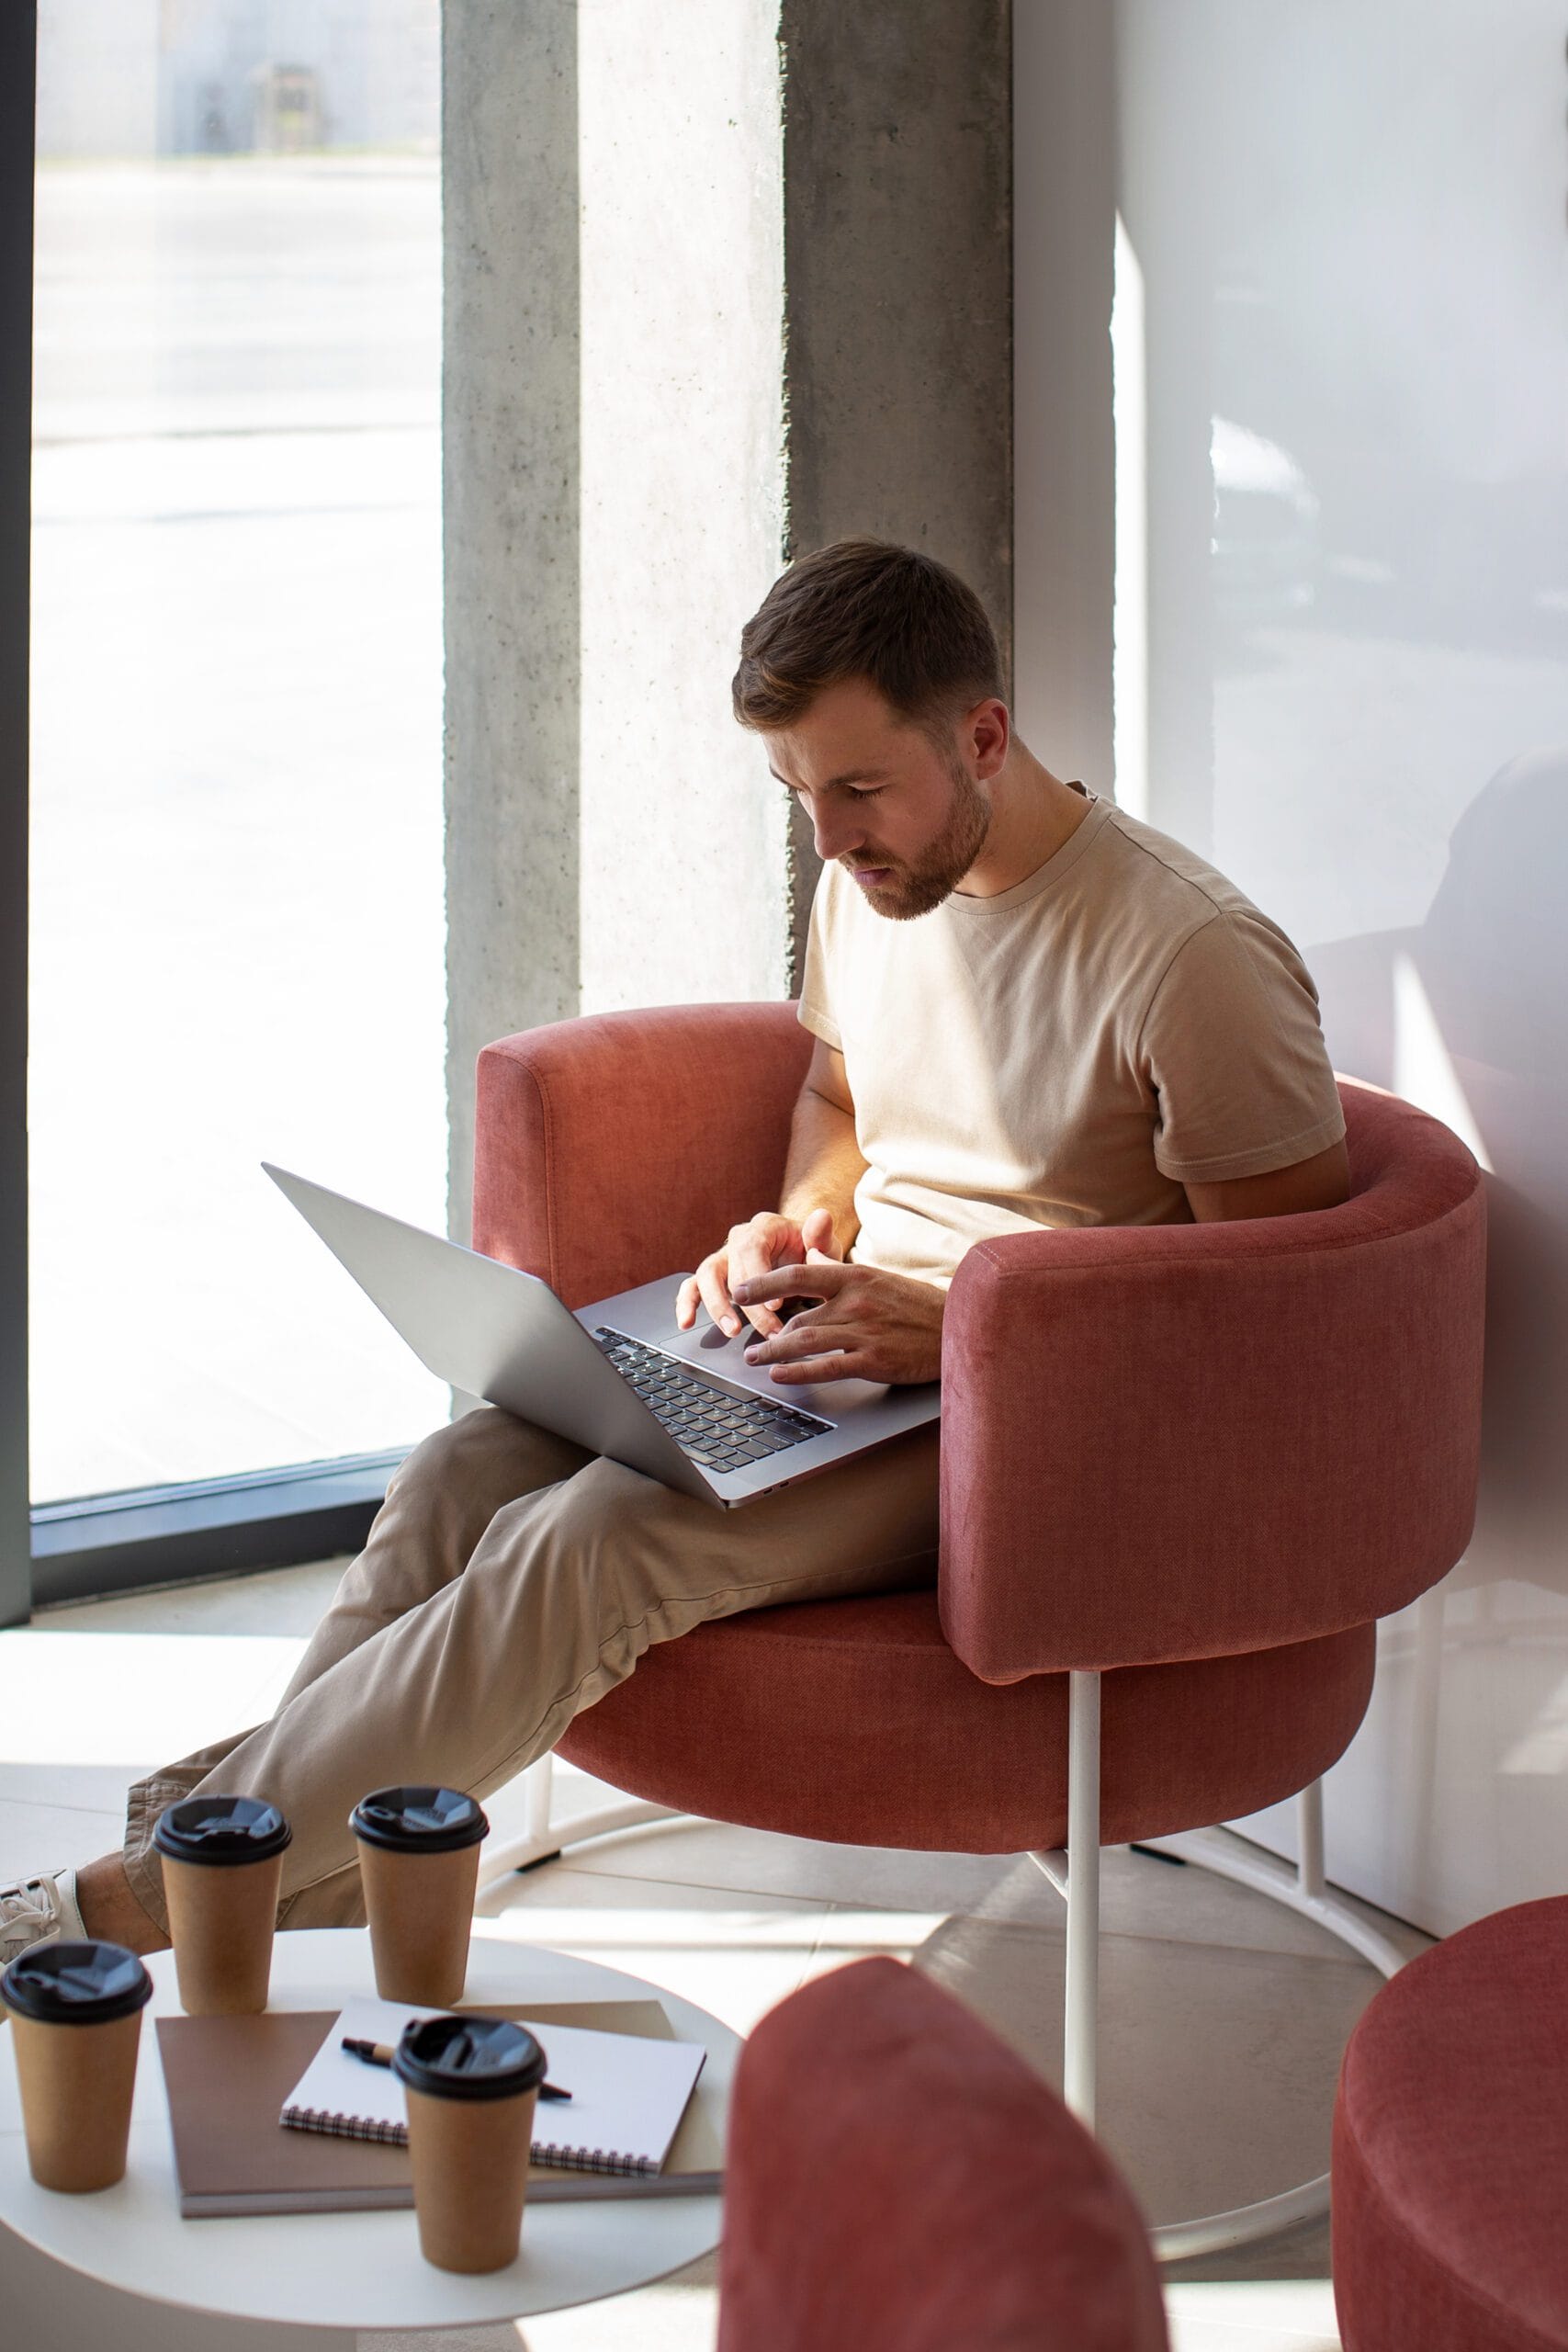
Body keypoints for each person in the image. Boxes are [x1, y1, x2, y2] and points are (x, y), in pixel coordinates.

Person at [0, 539, 1349, 1962]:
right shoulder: (874, 882)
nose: (827, 839)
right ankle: (281, 1907)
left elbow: (1272, 1320)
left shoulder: (1189, 955)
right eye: (797, 796)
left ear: (986, 736)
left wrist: (953, 1327)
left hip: (1021, 1430)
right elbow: (837, 1097)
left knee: (591, 1539)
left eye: (856, 789)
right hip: (837, 1360)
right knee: (465, 1468)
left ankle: (133, 1905)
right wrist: (794, 1221)